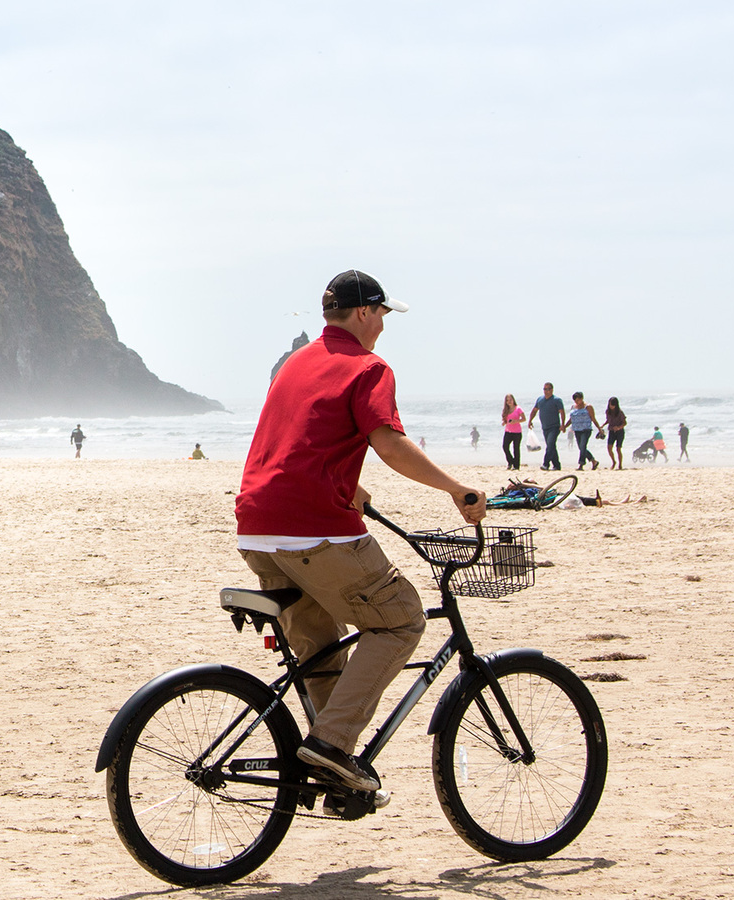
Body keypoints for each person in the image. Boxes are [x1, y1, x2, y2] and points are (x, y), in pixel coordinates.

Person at [236, 269, 485, 795]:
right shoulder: (370, 367)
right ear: (366, 312)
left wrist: (349, 485)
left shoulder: (295, 364)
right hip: (313, 531)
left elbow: (300, 438)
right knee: (400, 622)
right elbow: (389, 444)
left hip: (257, 527)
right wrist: (456, 489)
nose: (385, 325)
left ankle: (330, 766)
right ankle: (331, 744)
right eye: (384, 314)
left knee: (321, 647)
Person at [527, 383, 565, 471]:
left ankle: (545, 464)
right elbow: (534, 410)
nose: (546, 391)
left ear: (552, 390)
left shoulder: (557, 400)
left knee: (550, 444)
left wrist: (563, 424)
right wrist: (530, 420)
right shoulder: (540, 400)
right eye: (545, 389)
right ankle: (557, 465)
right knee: (551, 446)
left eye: (548, 389)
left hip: (555, 427)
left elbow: (562, 412)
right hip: (545, 427)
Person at [561, 391, 602, 470]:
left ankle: (581, 464)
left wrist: (599, 429)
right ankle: (594, 461)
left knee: (583, 446)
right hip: (576, 430)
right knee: (581, 448)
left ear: (582, 398)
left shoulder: (588, 407)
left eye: (578, 400)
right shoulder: (573, 407)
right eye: (575, 400)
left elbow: (593, 418)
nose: (576, 402)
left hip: (586, 429)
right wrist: (565, 426)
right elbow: (571, 419)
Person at [500, 394, 523, 470]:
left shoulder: (518, 408)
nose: (509, 402)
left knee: (516, 449)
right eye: (507, 400)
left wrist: (515, 421)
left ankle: (516, 466)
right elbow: (506, 420)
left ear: (513, 400)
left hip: (517, 432)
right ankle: (510, 462)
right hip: (508, 431)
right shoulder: (506, 410)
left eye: (510, 400)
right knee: (505, 447)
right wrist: (504, 422)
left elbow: (524, 418)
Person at [603, 397, 627, 470]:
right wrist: (603, 425)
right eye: (611, 405)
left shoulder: (620, 412)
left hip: (620, 432)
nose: (612, 407)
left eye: (613, 405)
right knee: (609, 448)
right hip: (611, 431)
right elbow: (608, 420)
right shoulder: (607, 411)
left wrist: (619, 427)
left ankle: (620, 465)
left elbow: (625, 422)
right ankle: (613, 461)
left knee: (618, 449)